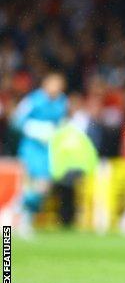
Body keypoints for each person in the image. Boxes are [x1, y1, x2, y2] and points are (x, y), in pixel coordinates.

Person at [11, 72, 68, 234]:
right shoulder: (33, 100)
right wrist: (35, 129)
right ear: (45, 84)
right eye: (54, 85)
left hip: (48, 151)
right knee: (33, 184)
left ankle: (20, 212)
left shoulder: (61, 102)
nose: (56, 89)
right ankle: (20, 218)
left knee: (43, 187)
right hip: (31, 149)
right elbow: (16, 120)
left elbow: (61, 124)